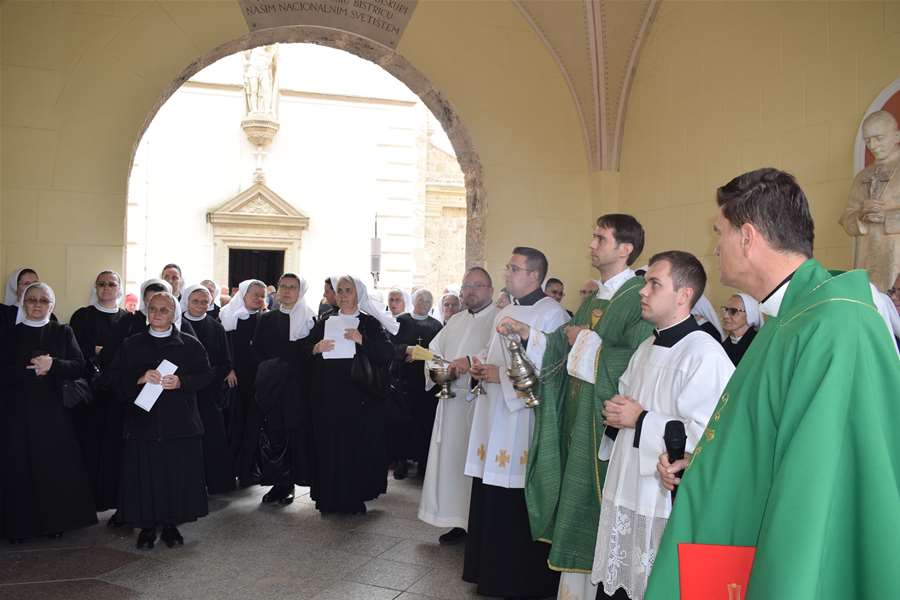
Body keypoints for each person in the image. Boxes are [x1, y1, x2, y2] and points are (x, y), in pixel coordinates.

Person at [646, 168, 900, 600]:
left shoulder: (836, 323)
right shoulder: (790, 318)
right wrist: (711, 467)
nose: (714, 246)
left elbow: (818, 482)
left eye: (718, 232)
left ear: (747, 237)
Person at [511, 215, 655, 600]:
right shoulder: (594, 296)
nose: (591, 244)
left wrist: (587, 341)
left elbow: (636, 358)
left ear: (625, 249)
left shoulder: (637, 295)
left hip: (602, 427)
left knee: (593, 515)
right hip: (577, 419)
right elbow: (564, 344)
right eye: (593, 236)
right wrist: (532, 335)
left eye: (600, 238)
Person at [590, 251, 734, 600]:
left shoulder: (705, 355)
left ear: (684, 295)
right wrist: (617, 413)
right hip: (627, 485)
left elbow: (709, 436)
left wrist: (640, 419)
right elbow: (628, 400)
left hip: (661, 499)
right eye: (645, 283)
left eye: (655, 284)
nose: (643, 291)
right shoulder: (646, 345)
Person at [462, 247, 570, 599]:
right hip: (494, 414)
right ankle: (487, 573)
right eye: (508, 266)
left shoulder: (552, 315)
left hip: (523, 419)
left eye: (514, 268)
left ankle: (513, 579)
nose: (506, 272)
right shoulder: (506, 309)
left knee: (513, 495)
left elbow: (554, 371)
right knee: (489, 491)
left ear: (534, 276)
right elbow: (495, 353)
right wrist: (481, 366)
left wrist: (501, 377)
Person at [112, 291, 212, 550]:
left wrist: (182, 382)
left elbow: (206, 376)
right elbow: (112, 381)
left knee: (175, 477)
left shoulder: (190, 344)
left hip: (179, 424)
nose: (157, 314)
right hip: (142, 425)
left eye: (164, 310)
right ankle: (147, 527)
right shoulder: (131, 344)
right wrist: (139, 378)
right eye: (153, 309)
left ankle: (170, 525)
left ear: (174, 314)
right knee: (146, 477)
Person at [1, 282, 97, 542]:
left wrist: (53, 364)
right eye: (32, 299)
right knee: (18, 469)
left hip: (53, 412)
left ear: (51, 305)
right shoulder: (9, 333)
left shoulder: (62, 331)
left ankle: (55, 521)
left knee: (53, 467)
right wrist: (28, 369)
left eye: (44, 300)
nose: (37, 305)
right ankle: (20, 526)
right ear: (23, 302)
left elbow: (79, 366)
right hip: (16, 413)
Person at [301, 275, 396, 514]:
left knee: (355, 448)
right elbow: (302, 352)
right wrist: (315, 348)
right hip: (327, 397)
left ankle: (354, 498)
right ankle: (328, 498)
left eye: (348, 290)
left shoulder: (369, 323)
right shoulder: (325, 321)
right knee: (329, 447)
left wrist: (361, 339)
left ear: (358, 294)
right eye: (339, 290)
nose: (343, 295)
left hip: (359, 398)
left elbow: (387, 354)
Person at [418, 267, 498, 545]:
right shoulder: (454, 321)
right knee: (451, 462)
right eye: (467, 286)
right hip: (450, 400)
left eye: (478, 285)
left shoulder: (499, 319)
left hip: (480, 402)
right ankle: (456, 521)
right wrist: (444, 372)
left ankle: (476, 523)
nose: (472, 291)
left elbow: (495, 356)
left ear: (490, 289)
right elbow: (432, 354)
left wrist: (469, 362)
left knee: (472, 461)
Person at [69, 270, 131, 524]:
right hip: (90, 393)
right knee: (90, 444)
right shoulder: (82, 316)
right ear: (96, 287)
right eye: (102, 284)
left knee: (116, 445)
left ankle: (115, 497)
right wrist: (102, 352)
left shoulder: (127, 318)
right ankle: (90, 498)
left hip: (117, 392)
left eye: (112, 284)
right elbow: (77, 351)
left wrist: (103, 351)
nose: (106, 288)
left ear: (119, 288)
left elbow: (128, 353)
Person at [252, 274, 316, 504]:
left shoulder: (310, 319)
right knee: (274, 434)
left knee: (296, 434)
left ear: (300, 292)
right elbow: (258, 349)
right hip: (273, 384)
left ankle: (294, 482)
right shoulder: (267, 319)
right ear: (277, 290)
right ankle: (279, 484)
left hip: (297, 387)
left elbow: (311, 353)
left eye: (293, 287)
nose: (287, 291)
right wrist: (271, 369)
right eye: (283, 286)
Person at [180, 284, 234, 495]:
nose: (201, 305)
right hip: (181, 392)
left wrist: (208, 377)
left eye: (205, 302)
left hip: (208, 392)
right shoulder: (177, 324)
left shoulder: (216, 327)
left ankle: (215, 482)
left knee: (212, 438)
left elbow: (225, 362)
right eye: (196, 301)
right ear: (186, 301)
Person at [840, 110, 900, 291]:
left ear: (897, 136)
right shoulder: (862, 177)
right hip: (866, 263)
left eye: (878, 138)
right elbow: (846, 219)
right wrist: (861, 216)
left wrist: (887, 217)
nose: (872, 145)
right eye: (867, 140)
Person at [388, 289, 442, 480]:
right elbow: (390, 347)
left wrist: (421, 355)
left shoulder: (437, 325)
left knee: (423, 424)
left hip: (425, 384)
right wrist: (406, 352)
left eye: (429, 300)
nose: (425, 303)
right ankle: (401, 461)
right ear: (414, 301)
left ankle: (422, 463)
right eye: (421, 299)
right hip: (403, 381)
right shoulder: (401, 321)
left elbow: (438, 353)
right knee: (403, 423)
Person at [220, 279, 267, 487]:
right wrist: (228, 369)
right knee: (234, 426)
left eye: (262, 295)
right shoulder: (228, 315)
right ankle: (229, 473)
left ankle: (248, 471)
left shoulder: (264, 319)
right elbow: (223, 347)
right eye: (254, 294)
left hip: (256, 380)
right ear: (243, 295)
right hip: (235, 380)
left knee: (253, 427)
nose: (258, 298)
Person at [126, 278, 195, 338]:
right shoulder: (130, 320)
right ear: (144, 299)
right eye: (151, 301)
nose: (156, 304)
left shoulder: (184, 324)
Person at [719, 293, 760, 365]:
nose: (725, 316)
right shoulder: (725, 343)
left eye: (733, 311)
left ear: (749, 314)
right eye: (726, 309)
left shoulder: (756, 345)